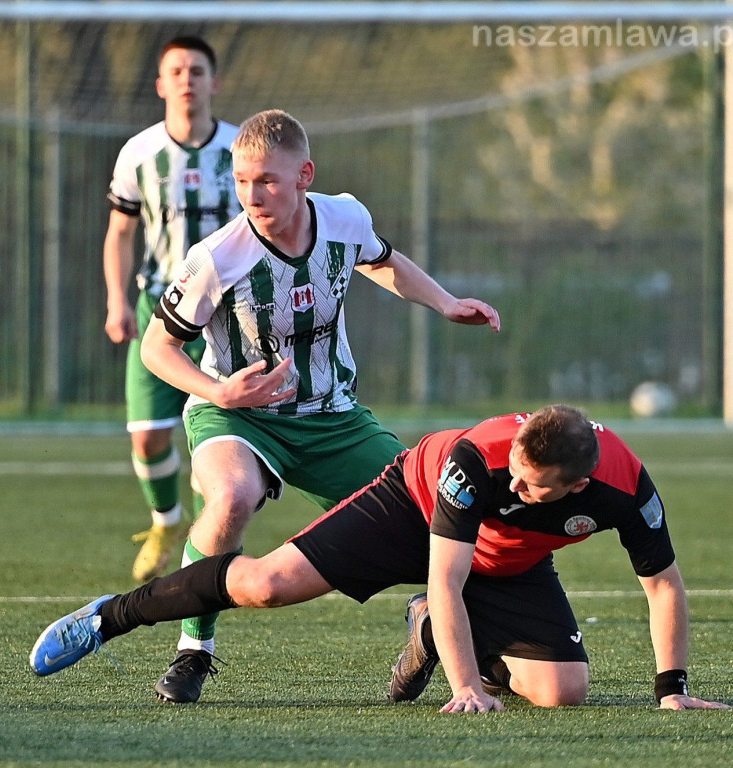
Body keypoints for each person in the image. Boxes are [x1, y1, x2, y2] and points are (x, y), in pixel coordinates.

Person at [85, 107, 500, 704]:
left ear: (305, 175)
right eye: (243, 181)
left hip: (333, 418)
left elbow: (381, 261)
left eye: (268, 181)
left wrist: (445, 302)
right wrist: (220, 392)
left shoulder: (344, 217)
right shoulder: (216, 259)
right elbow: (157, 348)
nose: (252, 194)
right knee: (230, 499)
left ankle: (434, 623)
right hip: (237, 416)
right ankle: (193, 650)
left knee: (440, 523)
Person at [29, 405, 729, 713]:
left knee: (563, 692)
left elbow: (663, 584)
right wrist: (464, 688)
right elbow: (447, 576)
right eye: (514, 472)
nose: (513, 487)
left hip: (508, 563)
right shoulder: (476, 460)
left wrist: (670, 686)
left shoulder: (624, 486)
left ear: (577, 487)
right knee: (267, 584)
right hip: (415, 509)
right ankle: (109, 617)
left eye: (530, 486)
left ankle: (426, 632)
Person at [103, 35, 242, 585]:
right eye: (177, 70)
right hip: (159, 306)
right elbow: (119, 232)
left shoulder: (240, 149)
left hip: (229, 314)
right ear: (161, 84)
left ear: (215, 82)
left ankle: (208, 547)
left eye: (197, 70)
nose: (187, 79)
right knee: (148, 435)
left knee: (222, 449)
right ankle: (165, 521)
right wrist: (117, 301)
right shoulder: (138, 152)